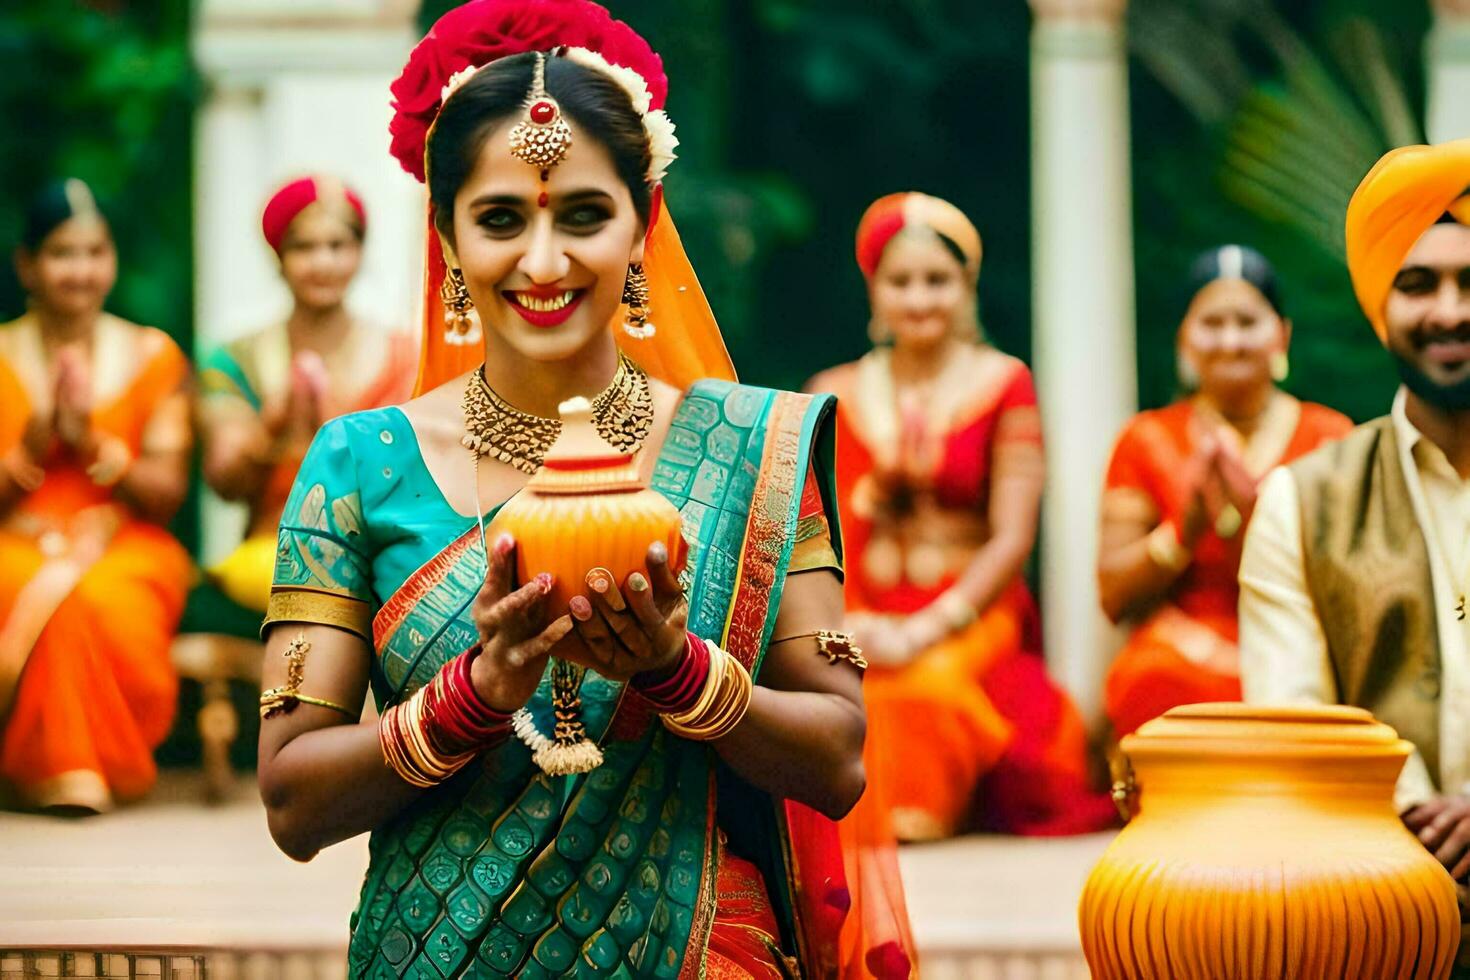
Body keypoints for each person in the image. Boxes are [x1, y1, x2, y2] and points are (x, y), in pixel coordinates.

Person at [255, 3, 913, 976]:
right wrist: (472, 695)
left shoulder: (746, 449)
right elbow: (294, 802)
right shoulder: (357, 463)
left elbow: (838, 759)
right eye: (501, 218)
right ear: (445, 237)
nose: (545, 261)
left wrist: (676, 668)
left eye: (584, 214)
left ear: (643, 224)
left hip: (694, 950)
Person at [808, 193, 1113, 840]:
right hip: (859, 605)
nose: (920, 299)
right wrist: (848, 618)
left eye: (937, 281)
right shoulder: (832, 392)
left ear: (967, 287)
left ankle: (918, 812)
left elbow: (1012, 539)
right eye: (902, 282)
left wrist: (926, 630)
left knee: (927, 688)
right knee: (833, 692)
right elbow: (810, 534)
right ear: (874, 291)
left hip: (970, 608)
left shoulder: (1004, 383)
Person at [1239, 139, 1470, 925]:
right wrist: (1425, 838)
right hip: (1374, 903)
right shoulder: (1301, 503)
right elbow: (1296, 724)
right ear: (1381, 310)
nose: (1450, 310)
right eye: (1417, 284)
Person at [1098, 246, 1351, 737]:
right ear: (1184, 340)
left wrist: (1265, 522)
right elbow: (1112, 596)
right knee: (1153, 680)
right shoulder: (1147, 438)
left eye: (1247, 321)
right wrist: (1181, 532)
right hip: (1180, 650)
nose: (1230, 341)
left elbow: (1357, 586)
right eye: (1212, 323)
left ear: (1282, 334)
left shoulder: (1330, 436)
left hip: (1299, 637)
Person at [0, 179, 192, 812]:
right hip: (15, 537)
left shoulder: (152, 356)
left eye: (94, 252)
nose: (79, 271)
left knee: (106, 597)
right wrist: (28, 454)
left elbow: (166, 494)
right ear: (27, 265)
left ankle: (91, 762)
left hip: (121, 539)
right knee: (31, 584)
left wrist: (90, 445)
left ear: (111, 260)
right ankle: (55, 765)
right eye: (61, 253)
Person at [199, 176, 416, 613]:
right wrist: (272, 428)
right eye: (305, 247)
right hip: (270, 552)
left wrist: (335, 430)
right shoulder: (236, 360)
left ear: (359, 252)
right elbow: (224, 482)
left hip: (384, 553)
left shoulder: (404, 355)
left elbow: (414, 478)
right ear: (278, 256)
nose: (324, 262)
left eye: (338, 245)